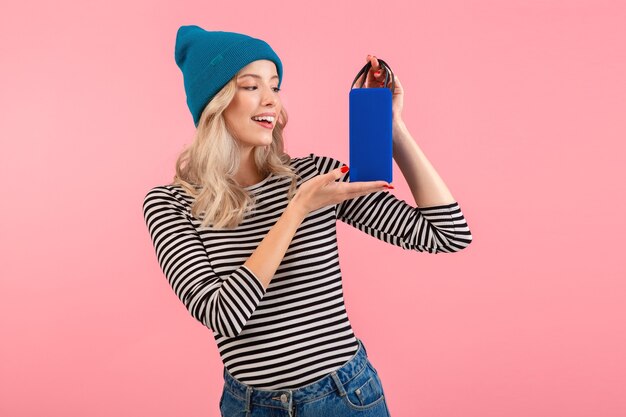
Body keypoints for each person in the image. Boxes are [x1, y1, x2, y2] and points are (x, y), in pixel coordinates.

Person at [142, 25, 473, 417]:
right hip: (250, 406)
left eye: (275, 86)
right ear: (215, 102)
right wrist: (296, 210)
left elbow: (447, 233)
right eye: (251, 87)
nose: (271, 101)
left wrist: (393, 128)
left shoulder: (315, 176)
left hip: (346, 397)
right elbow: (223, 315)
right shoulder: (170, 204)